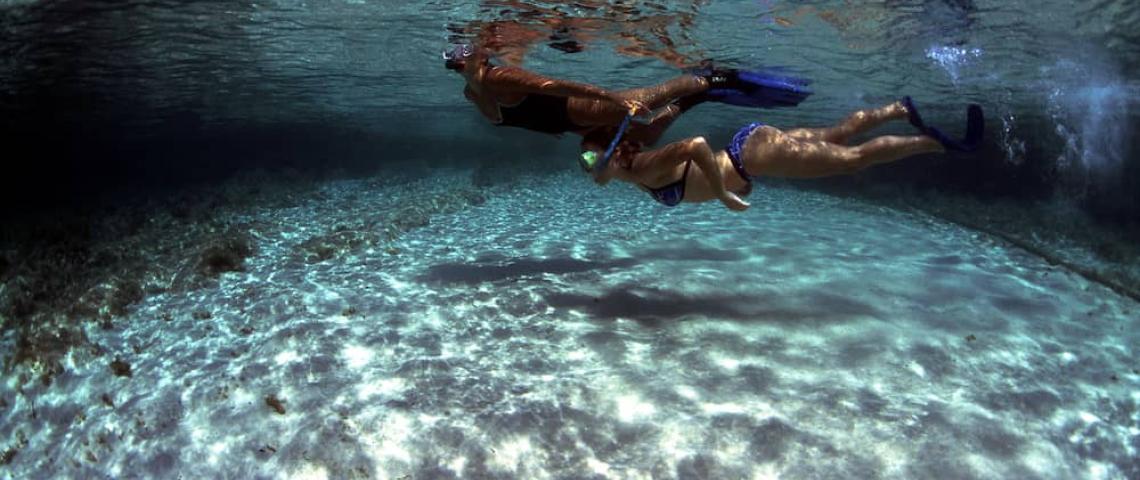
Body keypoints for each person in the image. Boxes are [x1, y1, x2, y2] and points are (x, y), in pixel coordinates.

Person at [581, 97, 985, 211]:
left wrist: (722, 192)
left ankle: (939, 143)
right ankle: (898, 110)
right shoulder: (633, 173)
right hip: (753, 146)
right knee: (838, 136)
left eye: (588, 159)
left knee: (852, 159)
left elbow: (697, 145)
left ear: (612, 157)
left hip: (755, 156)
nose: (586, 169)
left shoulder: (644, 167)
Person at [444, 43, 756, 137]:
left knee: (654, 94)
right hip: (565, 124)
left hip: (572, 108)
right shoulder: (471, 94)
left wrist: (609, 97)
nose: (457, 55)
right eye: (454, 53)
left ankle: (710, 78)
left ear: (482, 57)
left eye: (465, 50)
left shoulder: (501, 76)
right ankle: (695, 98)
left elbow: (557, 86)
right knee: (642, 138)